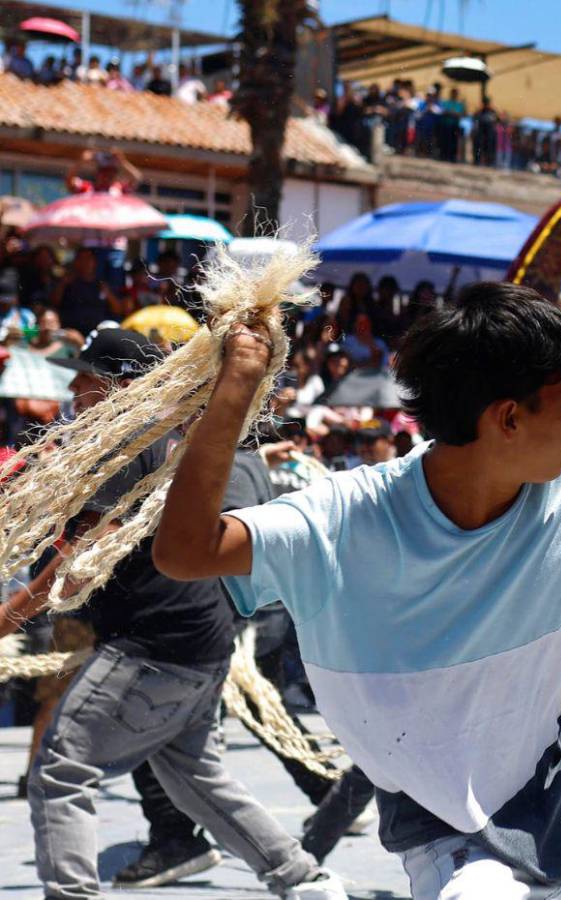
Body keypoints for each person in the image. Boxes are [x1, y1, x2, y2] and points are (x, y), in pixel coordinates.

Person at [153, 280, 561, 898]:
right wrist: (236, 390)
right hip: (448, 828)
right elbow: (186, 550)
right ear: (507, 419)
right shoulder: (341, 520)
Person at [0, 329, 344, 900]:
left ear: (120, 386)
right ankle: (305, 881)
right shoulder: (153, 440)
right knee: (195, 776)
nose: (74, 385)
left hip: (155, 643)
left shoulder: (125, 444)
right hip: (198, 636)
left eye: (87, 375)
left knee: (62, 769)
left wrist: (8, 617)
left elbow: (79, 561)